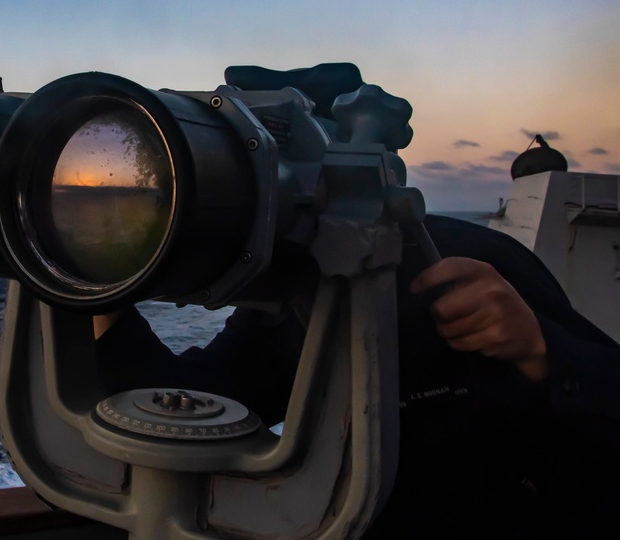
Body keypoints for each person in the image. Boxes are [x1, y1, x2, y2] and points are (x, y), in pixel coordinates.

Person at [94, 214, 620, 538]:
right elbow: (195, 407)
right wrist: (99, 294)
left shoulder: (479, 260)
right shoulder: (292, 297)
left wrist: (541, 350)